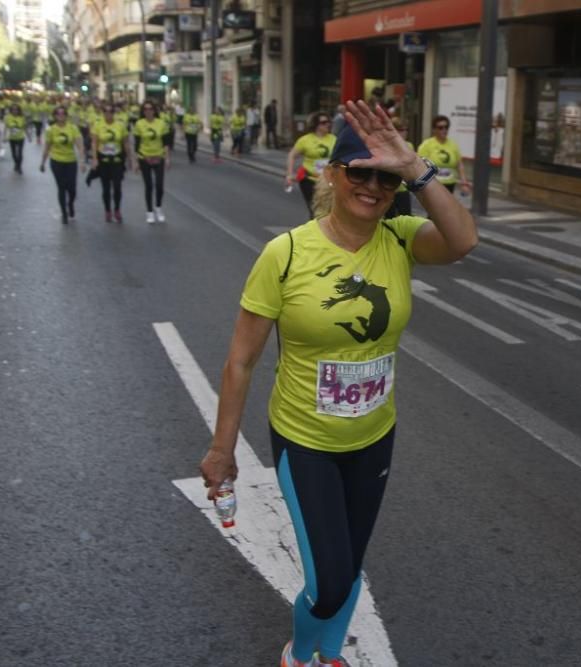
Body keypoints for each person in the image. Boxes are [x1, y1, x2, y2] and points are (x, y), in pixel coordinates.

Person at [199, 100, 477, 667]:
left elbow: (463, 240)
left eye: (384, 177)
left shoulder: (401, 239)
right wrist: (222, 449)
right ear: (332, 173)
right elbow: (240, 362)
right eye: (359, 171)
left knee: (349, 563)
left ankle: (329, 655)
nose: (372, 186)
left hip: (374, 436)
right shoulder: (288, 252)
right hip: (306, 442)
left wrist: (416, 168)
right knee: (329, 583)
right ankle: (300, 656)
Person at [39, 105, 85, 225]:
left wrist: (82, 161)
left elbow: (80, 145)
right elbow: (47, 147)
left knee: (72, 188)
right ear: (55, 116)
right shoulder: (51, 130)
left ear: (66, 116)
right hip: (56, 161)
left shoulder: (73, 128)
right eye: (58, 114)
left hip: (70, 161)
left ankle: (70, 203)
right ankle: (64, 213)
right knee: (61, 187)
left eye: (63, 114)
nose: (61, 116)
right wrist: (42, 162)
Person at [286, 111, 336, 216]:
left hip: (328, 180)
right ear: (316, 125)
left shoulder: (334, 139)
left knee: (328, 209)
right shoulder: (305, 140)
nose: (328, 124)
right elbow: (292, 155)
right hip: (309, 180)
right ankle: (316, 229)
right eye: (324, 122)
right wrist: (289, 174)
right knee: (315, 209)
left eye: (329, 122)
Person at [91, 102, 133, 223]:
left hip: (117, 160)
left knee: (117, 187)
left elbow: (126, 143)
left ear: (114, 113)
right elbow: (95, 143)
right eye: (106, 112)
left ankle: (117, 209)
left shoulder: (120, 125)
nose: (108, 114)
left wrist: (130, 159)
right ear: (103, 113)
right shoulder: (98, 125)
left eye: (111, 112)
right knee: (106, 188)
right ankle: (107, 210)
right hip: (104, 160)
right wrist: (94, 159)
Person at [134, 100, 171, 223]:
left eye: (150, 109)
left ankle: (158, 207)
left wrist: (167, 158)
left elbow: (166, 143)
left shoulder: (161, 123)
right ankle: (149, 212)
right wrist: (136, 161)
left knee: (159, 185)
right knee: (148, 185)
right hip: (144, 157)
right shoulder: (139, 124)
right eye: (145, 109)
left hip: (158, 157)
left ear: (154, 111)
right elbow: (137, 144)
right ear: (143, 111)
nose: (148, 111)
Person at [417, 115, 470, 195]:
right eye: (440, 127)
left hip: (450, 184)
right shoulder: (426, 145)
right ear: (434, 130)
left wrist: (464, 183)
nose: (444, 130)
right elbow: (420, 165)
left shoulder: (453, 144)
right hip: (433, 185)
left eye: (446, 127)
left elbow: (459, 165)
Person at [385, 117, 413, 218]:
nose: (405, 133)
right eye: (401, 130)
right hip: (388, 188)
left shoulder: (409, 145)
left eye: (406, 130)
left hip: (403, 189)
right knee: (389, 218)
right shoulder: (386, 146)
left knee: (406, 217)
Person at [4, 103, 27, 174]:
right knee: (13, 153)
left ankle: (19, 167)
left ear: (19, 110)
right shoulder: (7, 117)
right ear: (11, 110)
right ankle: (16, 163)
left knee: (20, 153)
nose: (15, 111)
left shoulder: (22, 117)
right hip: (12, 138)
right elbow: (6, 128)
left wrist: (28, 136)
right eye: (13, 110)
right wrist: (4, 136)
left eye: (16, 110)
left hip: (20, 138)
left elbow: (24, 127)